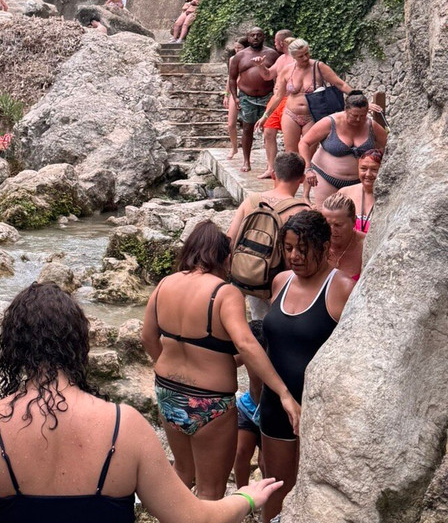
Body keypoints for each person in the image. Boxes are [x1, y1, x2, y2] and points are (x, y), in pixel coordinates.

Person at [0, 282, 285, 523]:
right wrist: (246, 498)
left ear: (13, 347)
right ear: (79, 345)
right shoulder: (125, 425)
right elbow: (193, 518)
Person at [141, 222, 299, 500]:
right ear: (223, 257)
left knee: (182, 472)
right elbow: (246, 344)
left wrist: (170, 367)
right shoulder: (224, 293)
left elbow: (148, 337)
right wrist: (283, 392)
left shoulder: (165, 284)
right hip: (209, 401)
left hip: (168, 393)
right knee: (210, 490)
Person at [260, 210, 355, 522]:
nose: (295, 256)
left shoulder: (341, 288)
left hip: (316, 411)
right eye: (288, 249)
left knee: (308, 495)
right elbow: (269, 345)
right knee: (273, 490)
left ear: (325, 246)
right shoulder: (280, 282)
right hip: (275, 403)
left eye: (303, 249)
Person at [227, 151, 310, 321]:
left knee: (257, 322)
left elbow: (230, 239)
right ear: (302, 179)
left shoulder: (251, 201)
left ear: (273, 174)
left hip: (250, 277)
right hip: (281, 281)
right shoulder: (302, 211)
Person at [256, 38, 351, 155]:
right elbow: (278, 96)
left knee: (307, 156)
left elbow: (340, 84)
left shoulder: (318, 67)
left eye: (307, 53)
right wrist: (265, 116)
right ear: (293, 56)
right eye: (301, 56)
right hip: (290, 114)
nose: (305, 58)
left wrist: (358, 98)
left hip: (312, 115)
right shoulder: (287, 70)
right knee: (292, 154)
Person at [299, 91, 387, 207]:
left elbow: (389, 146)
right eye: (354, 115)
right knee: (326, 213)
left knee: (354, 218)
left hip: (358, 181)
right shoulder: (329, 122)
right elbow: (304, 142)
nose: (358, 119)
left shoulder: (372, 126)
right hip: (326, 177)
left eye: (363, 115)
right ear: (346, 110)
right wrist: (308, 169)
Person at [229, 28, 278, 172]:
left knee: (269, 130)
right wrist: (234, 96)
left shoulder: (272, 54)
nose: (255, 37)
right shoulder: (239, 56)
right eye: (252, 35)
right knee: (247, 128)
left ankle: (270, 164)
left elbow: (279, 73)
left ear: (263, 37)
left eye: (258, 35)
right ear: (248, 38)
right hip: (246, 96)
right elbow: (232, 78)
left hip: (267, 96)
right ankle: (246, 160)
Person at [254, 30, 295, 178]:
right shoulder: (281, 59)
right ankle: (271, 168)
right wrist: (260, 66)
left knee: (289, 136)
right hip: (276, 99)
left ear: (282, 42)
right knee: (268, 132)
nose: (274, 43)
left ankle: (292, 171)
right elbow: (267, 75)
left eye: (276, 41)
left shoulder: (295, 60)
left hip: (289, 100)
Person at [233, 320, 267, 490]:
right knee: (240, 453)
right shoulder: (245, 351)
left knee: (264, 463)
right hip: (249, 407)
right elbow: (230, 361)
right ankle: (242, 494)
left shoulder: (275, 357)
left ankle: (270, 501)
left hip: (271, 412)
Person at [321, 193, 365, 280]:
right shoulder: (315, 243)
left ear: (354, 221)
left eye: (338, 225)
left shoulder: (367, 245)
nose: (332, 230)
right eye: (327, 224)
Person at [338, 148, 383, 233]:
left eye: (374, 170)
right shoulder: (344, 193)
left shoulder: (391, 198)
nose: (368, 174)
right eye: (363, 168)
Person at [223, 39, 249, 159]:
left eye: (240, 47)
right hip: (235, 91)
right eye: (236, 48)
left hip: (248, 91)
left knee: (248, 124)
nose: (237, 50)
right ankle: (234, 147)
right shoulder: (233, 59)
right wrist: (226, 95)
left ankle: (247, 150)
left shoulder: (250, 58)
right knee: (230, 123)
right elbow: (230, 77)